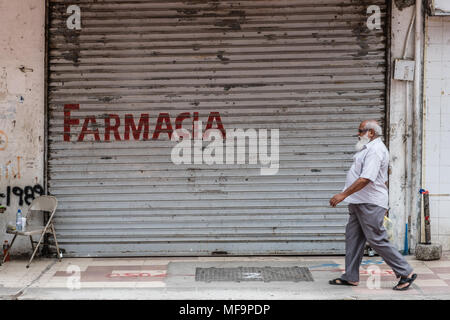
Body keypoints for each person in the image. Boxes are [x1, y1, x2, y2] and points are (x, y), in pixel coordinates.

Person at [328, 120, 417, 291]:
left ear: (370, 132)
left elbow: (366, 178)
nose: (358, 134)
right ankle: (351, 276)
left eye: (361, 131)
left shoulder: (375, 150)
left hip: (369, 203)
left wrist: (343, 194)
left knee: (377, 239)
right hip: (358, 202)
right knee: (353, 239)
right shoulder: (367, 149)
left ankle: (405, 272)